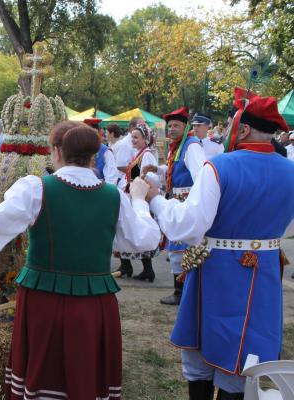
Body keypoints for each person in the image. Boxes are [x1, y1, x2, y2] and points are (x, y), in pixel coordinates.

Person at [0, 122, 161, 400]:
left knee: (43, 378)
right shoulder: (112, 196)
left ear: (56, 152)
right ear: (94, 156)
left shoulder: (37, 189)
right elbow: (145, 239)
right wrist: (140, 200)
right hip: (93, 304)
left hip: (46, 300)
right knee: (84, 376)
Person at [134, 91, 294, 400]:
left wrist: (154, 200)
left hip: (217, 270)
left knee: (202, 345)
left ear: (243, 129)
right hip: (264, 272)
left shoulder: (219, 167)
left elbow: (188, 227)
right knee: (247, 348)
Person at [142, 107, 205, 306]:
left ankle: (183, 293)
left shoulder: (191, 145)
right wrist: (157, 169)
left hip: (185, 202)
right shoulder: (178, 146)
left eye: (176, 125)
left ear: (186, 127)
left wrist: (193, 200)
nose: (171, 129)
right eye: (169, 126)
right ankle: (182, 292)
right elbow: (175, 171)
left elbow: (201, 176)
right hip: (177, 199)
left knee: (181, 249)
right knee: (177, 249)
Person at [115, 123, 159, 281]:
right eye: (132, 136)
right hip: (132, 196)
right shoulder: (138, 153)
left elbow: (153, 177)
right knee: (126, 229)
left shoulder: (146, 154)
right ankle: (127, 266)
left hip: (138, 198)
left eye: (136, 137)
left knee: (138, 229)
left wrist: (139, 181)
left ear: (145, 139)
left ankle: (147, 269)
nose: (132, 139)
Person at [84, 118, 120, 185]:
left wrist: (106, 191)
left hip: (99, 188)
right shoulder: (80, 149)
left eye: (94, 133)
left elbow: (112, 175)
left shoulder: (105, 151)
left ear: (98, 133)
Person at [115, 117, 140, 189]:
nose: (143, 129)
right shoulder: (124, 144)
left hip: (132, 181)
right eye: (140, 126)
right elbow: (120, 166)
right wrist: (139, 173)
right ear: (132, 127)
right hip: (124, 183)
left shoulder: (135, 142)